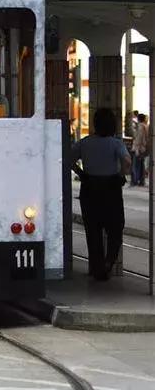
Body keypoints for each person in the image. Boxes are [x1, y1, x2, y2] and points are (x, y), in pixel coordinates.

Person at [71, 107, 131, 281]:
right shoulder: (116, 143)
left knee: (93, 231)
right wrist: (121, 175)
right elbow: (127, 161)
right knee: (115, 229)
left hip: (90, 189)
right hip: (111, 189)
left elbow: (68, 159)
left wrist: (81, 173)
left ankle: (97, 268)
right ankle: (108, 263)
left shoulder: (85, 142)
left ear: (95, 124)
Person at [132, 113, 148, 187]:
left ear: (138, 119)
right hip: (143, 148)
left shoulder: (140, 127)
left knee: (136, 165)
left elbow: (139, 138)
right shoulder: (146, 126)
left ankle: (135, 180)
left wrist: (137, 149)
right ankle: (142, 181)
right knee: (141, 165)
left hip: (139, 148)